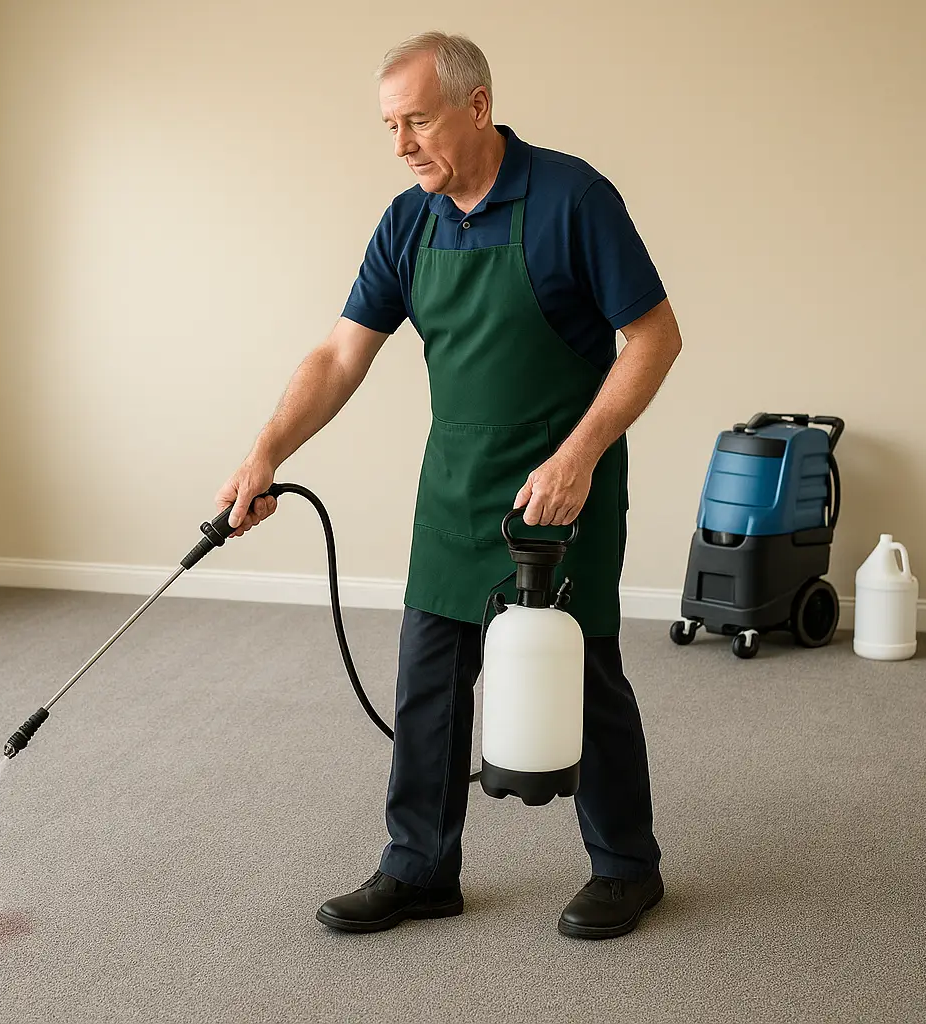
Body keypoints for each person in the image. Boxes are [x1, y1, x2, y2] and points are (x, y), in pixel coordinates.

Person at [215, 31, 682, 940]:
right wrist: (266, 450)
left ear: (477, 106)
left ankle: (628, 866)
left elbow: (655, 338)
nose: (401, 145)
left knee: (580, 669)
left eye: (417, 120)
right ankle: (420, 867)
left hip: (562, 484)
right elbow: (341, 356)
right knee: (429, 677)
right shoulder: (408, 220)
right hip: (456, 485)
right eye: (390, 126)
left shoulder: (572, 198)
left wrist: (579, 456)